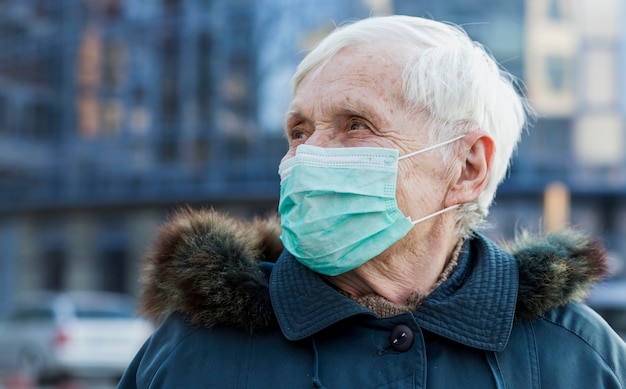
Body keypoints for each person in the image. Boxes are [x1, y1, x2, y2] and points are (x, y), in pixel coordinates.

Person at [118, 15, 626, 388]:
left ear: (468, 167)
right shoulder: (193, 351)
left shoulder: (577, 357)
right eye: (299, 131)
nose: (307, 154)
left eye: (355, 125)